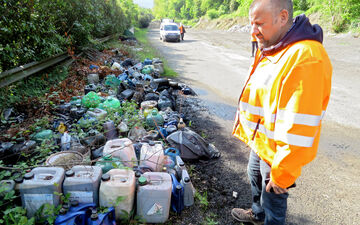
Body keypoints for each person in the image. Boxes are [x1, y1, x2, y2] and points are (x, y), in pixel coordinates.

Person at [231, 0, 332, 224]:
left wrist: (283, 173)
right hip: (263, 139)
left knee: (273, 197)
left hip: (278, 150)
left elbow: (299, 126)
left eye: (259, 23)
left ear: (283, 17)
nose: (253, 31)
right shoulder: (275, 44)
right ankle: (257, 214)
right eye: (251, 24)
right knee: (253, 174)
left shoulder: (306, 57)